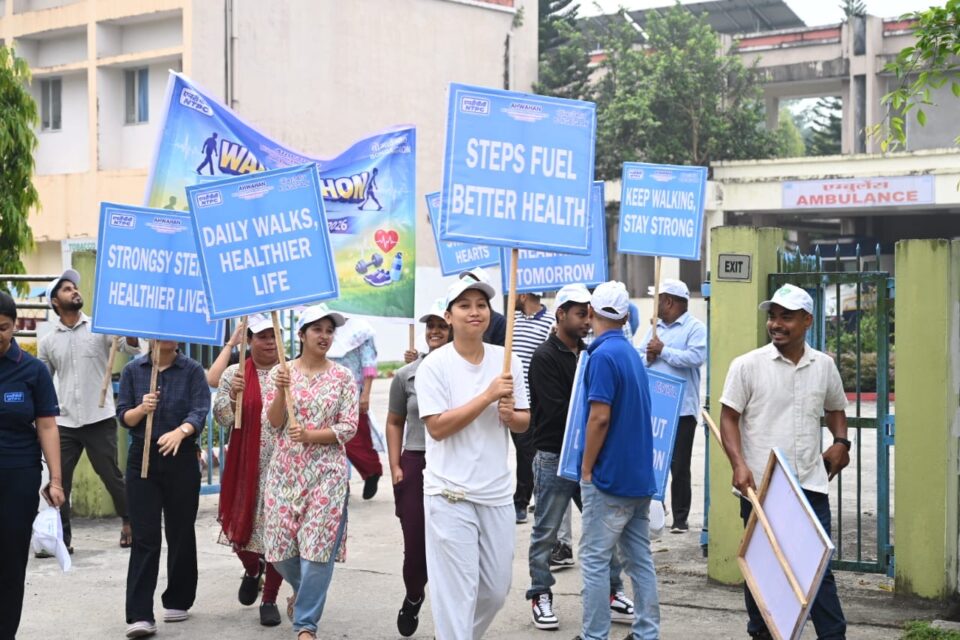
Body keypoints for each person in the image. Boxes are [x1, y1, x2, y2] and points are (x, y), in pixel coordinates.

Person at [719, 283, 849, 640]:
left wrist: (841, 442)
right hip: (762, 487)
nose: (776, 324)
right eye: (773, 317)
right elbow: (728, 417)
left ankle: (833, 635)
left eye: (786, 317)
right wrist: (738, 464)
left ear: (807, 321)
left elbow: (836, 409)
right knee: (763, 571)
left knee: (818, 570)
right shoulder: (747, 365)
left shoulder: (823, 366)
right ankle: (762, 634)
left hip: (810, 483)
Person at [415, 270, 530, 640]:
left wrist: (513, 416)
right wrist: (487, 397)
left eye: (481, 305)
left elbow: (524, 423)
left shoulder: (507, 359)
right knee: (456, 594)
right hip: (449, 493)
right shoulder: (434, 365)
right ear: (449, 316)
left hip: (496, 493)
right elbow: (437, 427)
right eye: (464, 305)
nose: (474, 311)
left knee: (495, 591)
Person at [524, 284, 635, 632]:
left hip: (591, 457)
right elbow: (560, 412)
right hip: (555, 457)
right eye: (580, 313)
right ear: (560, 314)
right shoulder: (544, 357)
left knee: (606, 531)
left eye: (591, 313)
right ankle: (540, 593)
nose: (588, 320)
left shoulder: (591, 353)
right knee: (546, 532)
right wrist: (602, 414)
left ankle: (613, 592)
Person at [263, 304, 358, 640]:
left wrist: (311, 435)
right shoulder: (282, 372)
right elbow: (274, 422)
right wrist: (279, 390)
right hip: (285, 472)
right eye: (317, 329)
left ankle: (306, 625)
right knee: (277, 549)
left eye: (329, 330)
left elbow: (348, 427)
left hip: (327, 474)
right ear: (301, 334)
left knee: (318, 548)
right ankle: (306, 593)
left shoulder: (343, 376)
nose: (325, 336)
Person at [577, 281, 660, 640]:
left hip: (610, 479)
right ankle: (646, 633)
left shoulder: (602, 356)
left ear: (591, 313)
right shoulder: (629, 354)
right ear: (626, 316)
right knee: (639, 561)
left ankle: (594, 635)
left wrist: (586, 468)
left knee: (595, 560)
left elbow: (599, 417)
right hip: (638, 479)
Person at [38, 269, 139, 555]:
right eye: (67, 289)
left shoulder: (100, 326)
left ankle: (129, 523)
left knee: (111, 476)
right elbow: (42, 382)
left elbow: (130, 348)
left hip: (99, 417)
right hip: (65, 421)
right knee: (60, 481)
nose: (74, 291)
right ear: (55, 302)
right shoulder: (48, 341)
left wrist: (127, 327)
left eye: (74, 287)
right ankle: (61, 539)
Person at [117, 339, 210, 638]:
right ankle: (140, 613)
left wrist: (180, 432)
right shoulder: (133, 370)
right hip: (142, 459)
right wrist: (142, 408)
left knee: (181, 530)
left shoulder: (192, 370)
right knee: (145, 536)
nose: (165, 336)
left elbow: (199, 411)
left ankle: (178, 598)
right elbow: (124, 417)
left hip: (181, 456)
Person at [0, 292, 64, 640]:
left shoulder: (31, 369)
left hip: (18, 476)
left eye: (4, 328)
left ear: (14, 327)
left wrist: (56, 480)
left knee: (10, 562)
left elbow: (47, 425)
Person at [386, 298, 451, 637]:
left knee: (451, 545)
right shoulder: (406, 374)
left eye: (442, 325)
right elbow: (395, 421)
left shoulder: (466, 372)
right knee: (416, 546)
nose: (435, 331)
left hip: (455, 463)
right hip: (416, 461)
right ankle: (414, 596)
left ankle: (449, 619)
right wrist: (395, 465)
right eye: (431, 326)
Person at [212, 314, 283, 627]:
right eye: (262, 336)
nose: (268, 342)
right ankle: (254, 570)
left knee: (279, 535)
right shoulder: (234, 374)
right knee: (240, 530)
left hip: (283, 467)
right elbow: (224, 420)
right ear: (250, 340)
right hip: (246, 466)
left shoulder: (291, 372)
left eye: (273, 336)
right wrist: (231, 395)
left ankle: (269, 597)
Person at [637, 278, 706, 533]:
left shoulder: (695, 328)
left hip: (682, 409)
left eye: (658, 299)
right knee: (655, 461)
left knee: (679, 465)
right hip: (656, 406)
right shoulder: (656, 329)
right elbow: (638, 354)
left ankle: (680, 518)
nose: (655, 304)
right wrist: (648, 355)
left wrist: (664, 351)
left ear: (668, 301)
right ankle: (656, 510)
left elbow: (696, 357)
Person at [510, 290, 554, 524]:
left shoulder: (549, 322)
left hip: (532, 400)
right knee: (522, 451)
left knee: (526, 452)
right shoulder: (512, 320)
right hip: (508, 398)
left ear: (525, 295)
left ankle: (521, 502)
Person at [328, 316, 383, 499]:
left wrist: (365, 395)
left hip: (353, 391)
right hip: (325, 390)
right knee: (329, 440)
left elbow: (369, 363)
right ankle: (339, 483)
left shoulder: (362, 329)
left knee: (356, 439)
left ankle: (372, 470)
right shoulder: (324, 323)